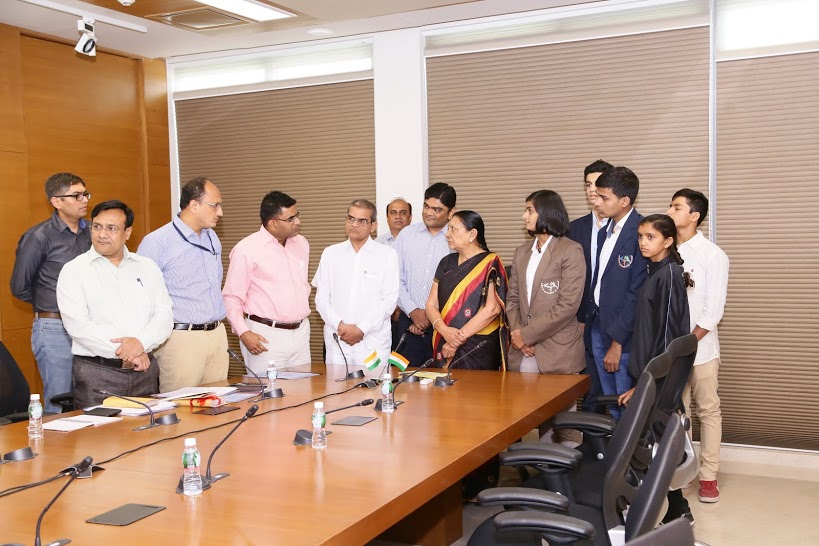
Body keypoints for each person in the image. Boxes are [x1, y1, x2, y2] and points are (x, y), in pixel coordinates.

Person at [56, 200, 173, 409]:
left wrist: (141, 344)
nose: (102, 234)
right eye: (97, 226)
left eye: (111, 228)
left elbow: (164, 315)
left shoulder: (147, 267)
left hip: (144, 371)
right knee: (99, 431)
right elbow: (78, 326)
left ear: (127, 232)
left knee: (148, 429)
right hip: (98, 373)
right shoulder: (74, 271)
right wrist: (130, 353)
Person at [617, 213, 693, 525]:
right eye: (640, 236)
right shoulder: (655, 271)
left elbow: (667, 340)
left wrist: (645, 385)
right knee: (652, 448)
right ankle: (676, 509)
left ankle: (634, 512)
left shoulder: (669, 275)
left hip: (659, 379)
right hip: (650, 375)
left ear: (668, 241)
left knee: (646, 447)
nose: (643, 243)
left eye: (651, 237)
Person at [507, 190, 586, 445]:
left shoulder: (570, 250)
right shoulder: (522, 252)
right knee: (536, 417)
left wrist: (527, 335)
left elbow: (567, 305)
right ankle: (542, 466)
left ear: (547, 212)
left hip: (558, 349)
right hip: (525, 350)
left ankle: (568, 468)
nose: (524, 216)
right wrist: (518, 335)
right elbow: (512, 300)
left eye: (530, 210)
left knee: (565, 423)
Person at [137, 178, 229, 393]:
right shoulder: (157, 242)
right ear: (194, 205)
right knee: (180, 405)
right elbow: (141, 296)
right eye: (215, 205)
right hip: (181, 338)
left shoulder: (212, 237)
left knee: (218, 403)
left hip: (216, 333)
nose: (220, 212)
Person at [11, 173, 92, 413]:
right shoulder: (39, 236)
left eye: (86, 194)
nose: (84, 200)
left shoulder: (93, 233)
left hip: (89, 326)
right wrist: (55, 303)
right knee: (59, 402)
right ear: (57, 202)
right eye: (77, 195)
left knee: (88, 400)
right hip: (54, 327)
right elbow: (19, 287)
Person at [667, 188, 729, 504]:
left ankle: (708, 476)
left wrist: (689, 341)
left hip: (701, 349)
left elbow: (713, 310)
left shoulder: (712, 255)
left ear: (694, 215)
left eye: (676, 207)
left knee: (708, 410)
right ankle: (683, 472)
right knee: (678, 413)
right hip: (671, 351)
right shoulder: (665, 250)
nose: (670, 211)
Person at [222, 191, 311, 374]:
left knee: (304, 388)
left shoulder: (301, 243)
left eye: (297, 215)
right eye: (291, 218)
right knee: (268, 391)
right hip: (265, 336)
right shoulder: (246, 249)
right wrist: (243, 332)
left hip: (301, 333)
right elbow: (231, 297)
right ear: (273, 223)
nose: (298, 222)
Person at [586, 166, 647, 420]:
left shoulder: (641, 234)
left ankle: (630, 446)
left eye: (604, 197)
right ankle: (617, 444)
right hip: (599, 325)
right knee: (611, 402)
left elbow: (635, 294)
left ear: (624, 201)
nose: (597, 202)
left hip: (623, 336)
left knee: (626, 404)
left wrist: (617, 343)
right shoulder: (605, 231)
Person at [313, 199, 399, 375]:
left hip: (372, 343)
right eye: (351, 218)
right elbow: (321, 299)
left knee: (375, 389)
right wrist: (340, 325)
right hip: (338, 341)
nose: (354, 224)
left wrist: (361, 329)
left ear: (373, 226)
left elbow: (389, 301)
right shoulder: (330, 253)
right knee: (336, 390)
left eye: (362, 221)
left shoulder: (387, 255)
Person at [425, 210, 508, 370]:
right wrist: (444, 330)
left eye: (453, 229)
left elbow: (492, 309)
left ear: (472, 234)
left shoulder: (491, 263)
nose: (447, 234)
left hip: (478, 346)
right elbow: (431, 305)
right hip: (443, 339)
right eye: (448, 229)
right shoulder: (446, 262)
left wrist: (456, 340)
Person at [394, 182, 456, 366]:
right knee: (404, 379)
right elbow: (394, 278)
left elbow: (459, 286)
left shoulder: (456, 238)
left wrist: (430, 316)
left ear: (451, 212)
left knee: (442, 380)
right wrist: (413, 311)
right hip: (407, 323)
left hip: (444, 326)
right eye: (426, 206)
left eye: (437, 210)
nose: (429, 213)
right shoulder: (406, 235)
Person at [569, 160, 613, 413]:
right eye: (588, 184)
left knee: (617, 390)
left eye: (598, 183)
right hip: (582, 320)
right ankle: (590, 435)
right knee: (589, 389)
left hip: (614, 321)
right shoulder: (574, 228)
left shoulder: (625, 228)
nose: (592, 189)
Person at [375, 197, 413, 351]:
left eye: (403, 212)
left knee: (407, 359)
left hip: (411, 314)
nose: (398, 216)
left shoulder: (418, 244)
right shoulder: (376, 245)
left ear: (410, 217)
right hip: (382, 315)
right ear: (387, 217)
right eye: (393, 213)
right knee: (383, 358)